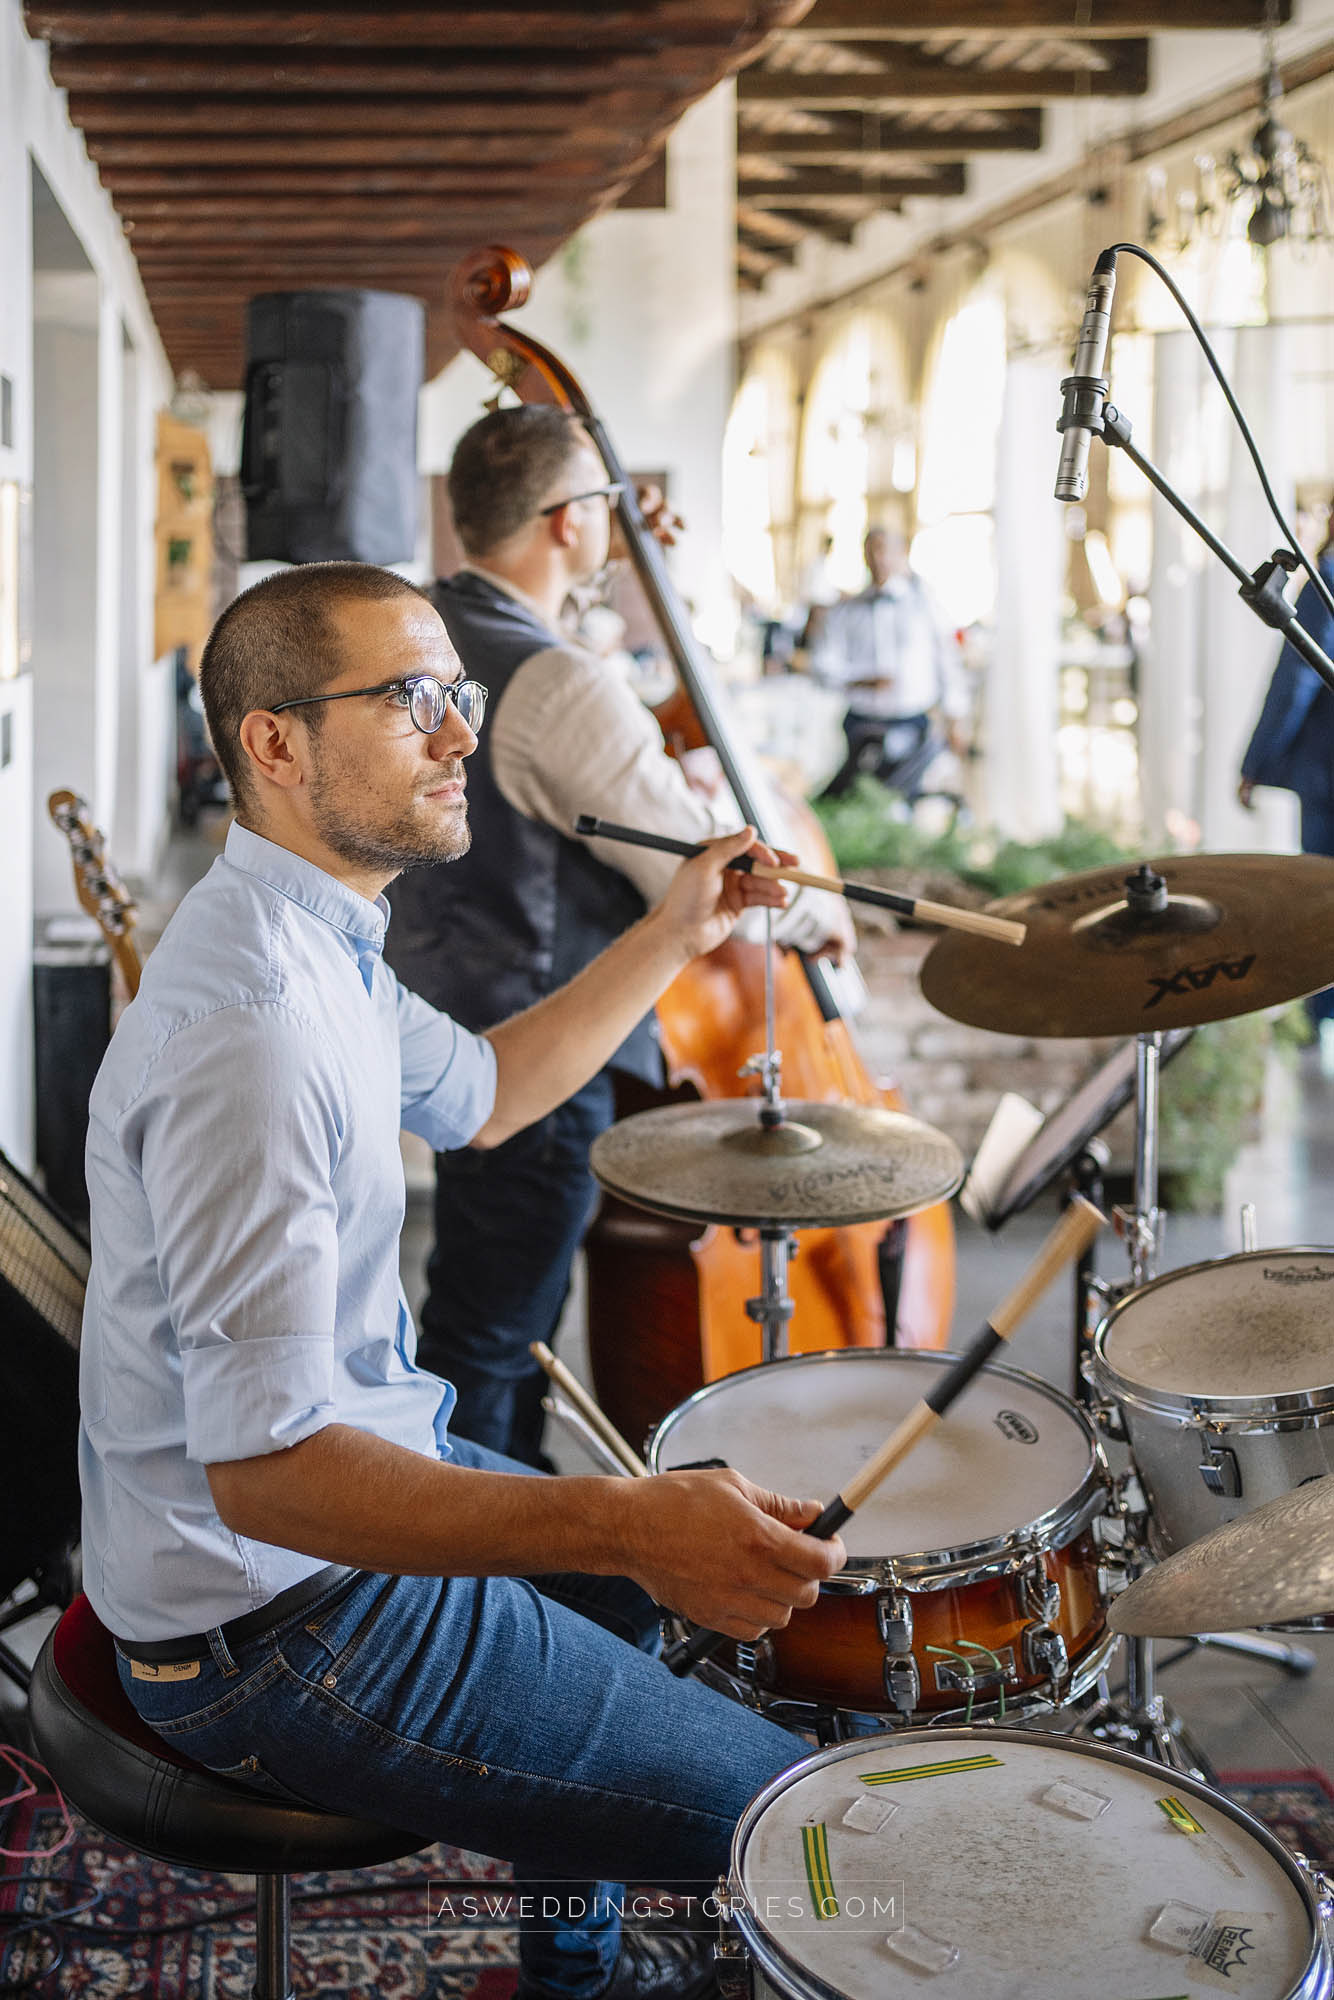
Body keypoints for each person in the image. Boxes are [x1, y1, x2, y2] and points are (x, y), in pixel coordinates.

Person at [80, 562, 846, 2000]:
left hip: (306, 1552)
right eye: (412, 698)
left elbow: (490, 1092)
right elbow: (274, 1479)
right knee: (809, 1818)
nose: (460, 736)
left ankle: (574, 1965)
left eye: (462, 695)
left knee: (648, 1623)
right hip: (278, 1630)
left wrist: (678, 927)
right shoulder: (258, 1029)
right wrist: (626, 1521)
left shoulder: (307, 938)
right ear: (276, 742)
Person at [385, 406, 853, 1466]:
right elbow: (704, 864)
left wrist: (640, 575)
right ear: (562, 522)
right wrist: (828, 917)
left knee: (478, 1319)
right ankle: (481, 1570)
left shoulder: (420, 636)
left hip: (443, 1026)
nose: (616, 515)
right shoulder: (558, 685)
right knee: (495, 1341)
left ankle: (492, 1537)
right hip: (546, 1053)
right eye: (601, 502)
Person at [1238, 523, 1334, 1059]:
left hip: (1328, 773)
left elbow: (1295, 680)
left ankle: (1313, 1018)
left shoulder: (1328, 580)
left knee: (1323, 895)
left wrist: (1256, 762)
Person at [812, 524, 968, 801]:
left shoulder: (926, 607)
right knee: (855, 798)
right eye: (871, 551)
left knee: (905, 800)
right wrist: (858, 679)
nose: (878, 559)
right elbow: (821, 666)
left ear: (901, 554)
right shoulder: (845, 612)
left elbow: (948, 662)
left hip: (912, 722)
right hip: (860, 725)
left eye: (884, 550)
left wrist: (955, 717)